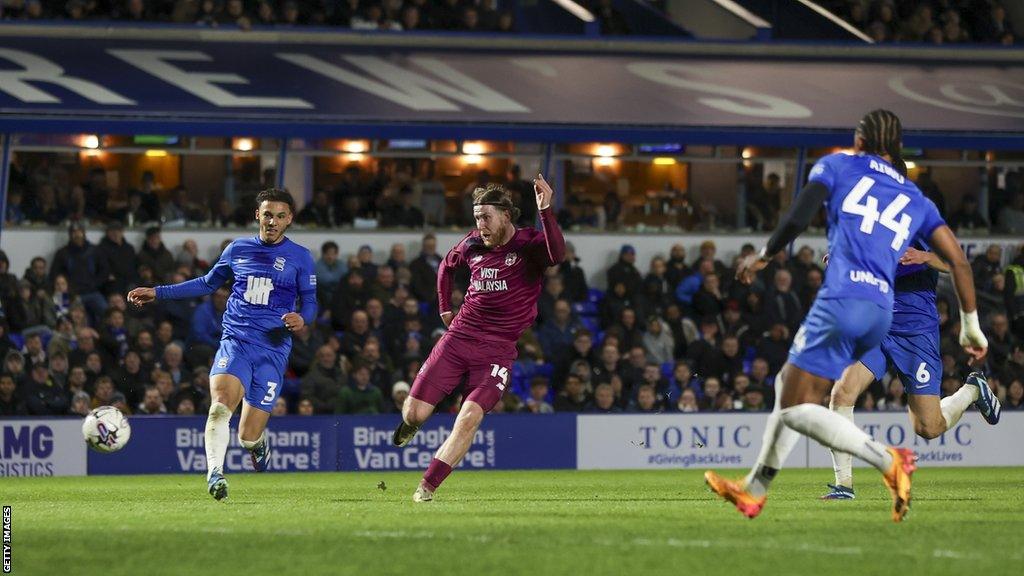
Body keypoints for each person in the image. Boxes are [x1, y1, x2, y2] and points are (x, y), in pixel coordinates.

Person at [705, 109, 988, 523]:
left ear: (859, 140)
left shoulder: (838, 165)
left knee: (796, 400)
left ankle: (887, 461)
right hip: (878, 313)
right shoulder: (915, 199)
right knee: (816, 391)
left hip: (855, 303)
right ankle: (762, 490)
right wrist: (970, 328)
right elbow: (963, 263)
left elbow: (798, 217)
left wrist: (764, 257)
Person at [128, 188, 316, 501]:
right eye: (267, 214)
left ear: (289, 220)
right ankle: (215, 473)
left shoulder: (301, 257)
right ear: (258, 215)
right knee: (219, 406)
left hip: (272, 351)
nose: (272, 221)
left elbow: (309, 300)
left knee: (246, 436)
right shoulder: (237, 249)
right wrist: (158, 292)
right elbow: (206, 283)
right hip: (236, 342)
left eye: (280, 216)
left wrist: (303, 318)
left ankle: (256, 445)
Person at [391, 175, 565, 502]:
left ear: (506, 216)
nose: (480, 224)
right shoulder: (471, 244)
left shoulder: (528, 245)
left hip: (497, 351)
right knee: (414, 413)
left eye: (486, 217)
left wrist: (546, 212)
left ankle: (426, 487)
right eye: (476, 218)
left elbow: (556, 255)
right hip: (458, 339)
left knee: (469, 417)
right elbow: (445, 267)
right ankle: (411, 425)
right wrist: (445, 309)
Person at [819, 242, 1001, 500]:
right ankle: (843, 486)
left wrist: (925, 256)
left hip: (917, 334)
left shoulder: (923, 222)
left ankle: (971, 391)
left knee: (928, 427)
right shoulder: (870, 226)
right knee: (842, 392)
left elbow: (958, 264)